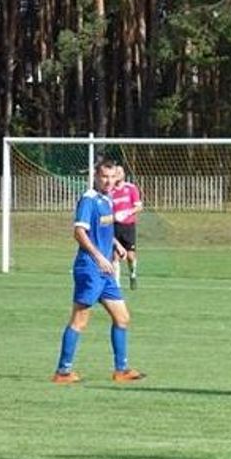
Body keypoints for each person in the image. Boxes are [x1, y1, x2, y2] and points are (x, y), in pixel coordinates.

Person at [52, 159, 145, 384]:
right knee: (80, 320)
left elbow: (102, 230)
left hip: (106, 270)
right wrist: (99, 257)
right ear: (95, 176)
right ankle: (63, 372)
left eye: (112, 177)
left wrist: (116, 245)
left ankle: (121, 370)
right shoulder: (89, 200)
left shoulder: (107, 200)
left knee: (122, 318)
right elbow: (79, 232)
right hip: (90, 268)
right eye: (104, 177)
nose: (109, 181)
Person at [110, 164, 143, 290]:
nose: (118, 174)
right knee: (115, 256)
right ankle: (116, 285)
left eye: (120, 172)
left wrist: (127, 212)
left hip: (128, 226)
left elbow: (139, 206)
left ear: (124, 174)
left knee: (130, 256)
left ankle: (132, 274)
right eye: (116, 172)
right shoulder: (110, 191)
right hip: (115, 226)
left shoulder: (131, 188)